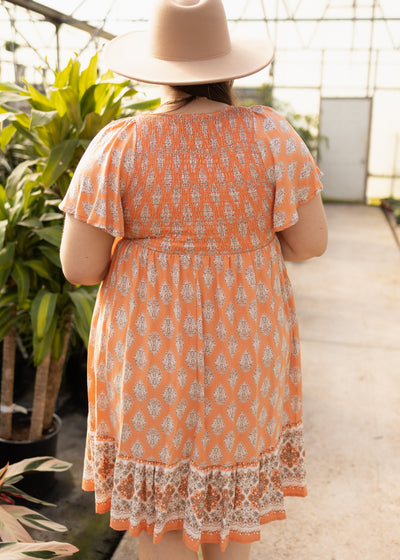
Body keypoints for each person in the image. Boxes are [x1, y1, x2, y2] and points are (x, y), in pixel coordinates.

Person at [59, 1, 328, 559]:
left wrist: (150, 248)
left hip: (147, 345)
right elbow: (309, 243)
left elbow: (80, 268)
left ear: (155, 70)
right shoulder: (272, 136)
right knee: (229, 515)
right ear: (229, 69)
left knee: (165, 521)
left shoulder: (119, 144)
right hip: (247, 344)